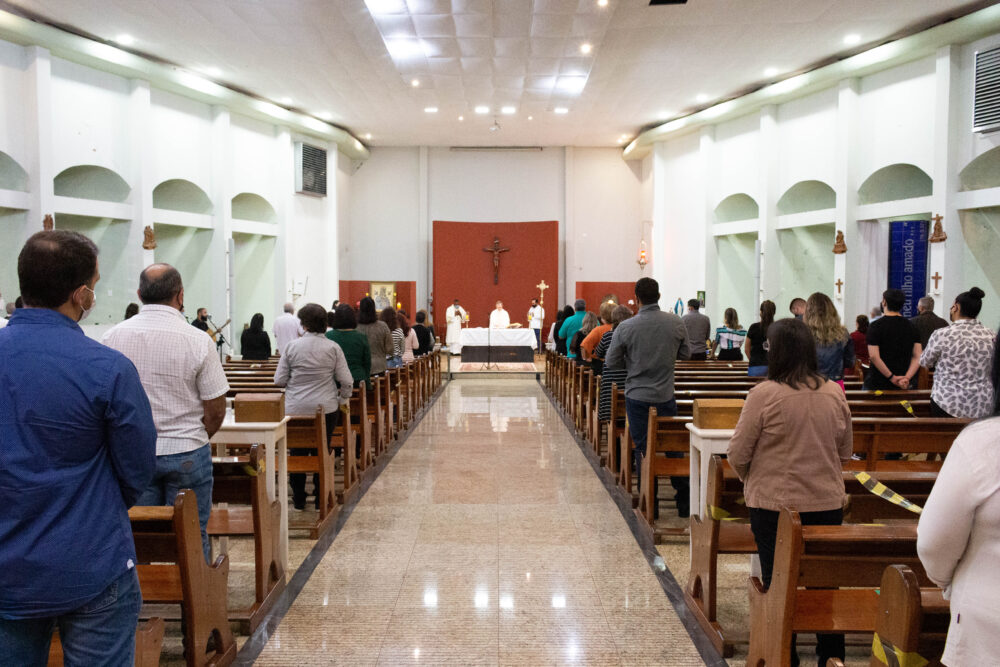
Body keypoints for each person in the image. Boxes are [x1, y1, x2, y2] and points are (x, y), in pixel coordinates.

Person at [0, 231, 156, 664]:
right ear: (82, 294)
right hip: (90, 556)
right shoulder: (107, 367)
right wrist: (99, 505)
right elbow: (136, 468)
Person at [727, 318, 852, 666]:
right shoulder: (833, 392)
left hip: (776, 506)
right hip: (827, 502)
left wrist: (750, 479)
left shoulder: (764, 394)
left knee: (778, 580)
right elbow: (844, 452)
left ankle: (786, 654)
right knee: (825, 584)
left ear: (775, 351)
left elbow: (738, 453)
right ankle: (831, 655)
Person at [103, 263, 230, 562]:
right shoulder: (198, 340)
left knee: (139, 533)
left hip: (134, 452)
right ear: (180, 295)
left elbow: (105, 402)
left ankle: (143, 598)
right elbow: (215, 408)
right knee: (193, 532)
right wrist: (196, 435)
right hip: (187, 450)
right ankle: (198, 604)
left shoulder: (112, 337)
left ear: (139, 294)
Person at [916, 341, 1000, 666]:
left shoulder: (983, 443)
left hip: (988, 627)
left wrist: (947, 583)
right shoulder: (985, 335)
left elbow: (935, 542)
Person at [605, 278, 691, 515]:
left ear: (637, 297)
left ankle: (648, 503)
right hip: (665, 394)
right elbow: (686, 354)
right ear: (659, 296)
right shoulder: (675, 322)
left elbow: (611, 362)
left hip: (638, 395)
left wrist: (635, 362)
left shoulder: (626, 327)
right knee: (673, 446)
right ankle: (684, 503)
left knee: (643, 447)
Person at [274, 303, 353, 510]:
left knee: (297, 451)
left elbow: (279, 380)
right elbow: (347, 381)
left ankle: (299, 498)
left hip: (295, 410)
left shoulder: (292, 346)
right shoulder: (333, 348)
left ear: (304, 324)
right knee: (323, 449)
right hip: (325, 409)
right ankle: (320, 497)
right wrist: (343, 400)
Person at [920, 287, 996, 418]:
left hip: (947, 402)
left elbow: (925, 361)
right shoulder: (992, 335)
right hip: (983, 403)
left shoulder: (942, 334)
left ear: (956, 307)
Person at [864, 288, 921, 391]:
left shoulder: (875, 326)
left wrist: (891, 377)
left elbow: (873, 356)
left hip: (878, 382)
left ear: (884, 302)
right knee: (903, 407)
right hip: (904, 383)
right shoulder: (912, 326)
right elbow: (918, 356)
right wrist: (907, 377)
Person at [804, 292, 855, 387]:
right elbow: (849, 362)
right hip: (835, 383)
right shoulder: (843, 333)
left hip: (809, 384)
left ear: (808, 312)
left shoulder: (802, 333)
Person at [595, 304, 633, 419]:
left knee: (610, 396)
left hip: (611, 379)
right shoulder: (633, 335)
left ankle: (608, 418)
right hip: (628, 379)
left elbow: (598, 353)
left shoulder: (608, 336)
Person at [327, 304, 372, 386]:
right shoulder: (361, 337)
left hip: (335, 380)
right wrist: (368, 382)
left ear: (336, 318)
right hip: (357, 379)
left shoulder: (328, 336)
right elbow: (367, 362)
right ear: (353, 318)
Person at [357, 296, 392, 375]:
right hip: (379, 366)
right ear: (374, 309)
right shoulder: (382, 326)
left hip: (361, 367)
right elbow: (390, 348)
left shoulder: (356, 327)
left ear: (360, 309)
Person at [744, 300, 775, 377]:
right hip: (772, 366)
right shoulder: (777, 328)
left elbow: (746, 349)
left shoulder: (753, 327)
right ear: (774, 313)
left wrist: (753, 360)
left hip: (755, 366)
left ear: (760, 312)